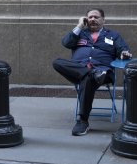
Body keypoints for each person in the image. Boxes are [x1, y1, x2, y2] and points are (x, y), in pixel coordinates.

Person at [53, 8, 132, 136]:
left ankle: (82, 121)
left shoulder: (113, 35)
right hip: (79, 70)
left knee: (87, 79)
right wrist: (79, 25)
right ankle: (91, 73)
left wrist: (124, 53)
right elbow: (66, 43)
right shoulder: (80, 33)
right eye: (90, 17)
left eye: (96, 17)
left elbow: (123, 50)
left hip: (104, 73)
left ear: (103, 20)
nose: (92, 19)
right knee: (57, 62)